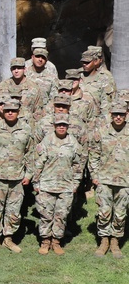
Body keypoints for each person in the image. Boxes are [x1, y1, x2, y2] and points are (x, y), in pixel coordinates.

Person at [0, 99, 32, 253]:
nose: (10, 113)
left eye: (14, 110)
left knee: (14, 212)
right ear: (2, 112)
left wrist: (28, 174)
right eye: (7, 110)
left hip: (17, 178)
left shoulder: (26, 130)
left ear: (18, 112)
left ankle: (8, 239)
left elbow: (31, 153)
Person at [32, 115, 85, 255]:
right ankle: (45, 241)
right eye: (59, 125)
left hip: (66, 186)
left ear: (67, 126)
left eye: (64, 125)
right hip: (46, 185)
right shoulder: (46, 141)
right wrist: (36, 182)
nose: (61, 127)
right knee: (46, 214)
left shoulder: (73, 143)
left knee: (61, 215)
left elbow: (77, 165)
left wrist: (76, 184)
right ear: (54, 126)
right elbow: (38, 163)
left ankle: (56, 241)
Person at [88, 101, 129, 258]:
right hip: (104, 179)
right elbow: (94, 155)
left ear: (126, 115)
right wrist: (95, 175)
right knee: (104, 212)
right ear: (111, 115)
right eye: (115, 114)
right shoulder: (102, 132)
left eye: (122, 114)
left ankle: (115, 242)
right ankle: (104, 241)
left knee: (120, 214)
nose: (118, 117)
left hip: (125, 181)